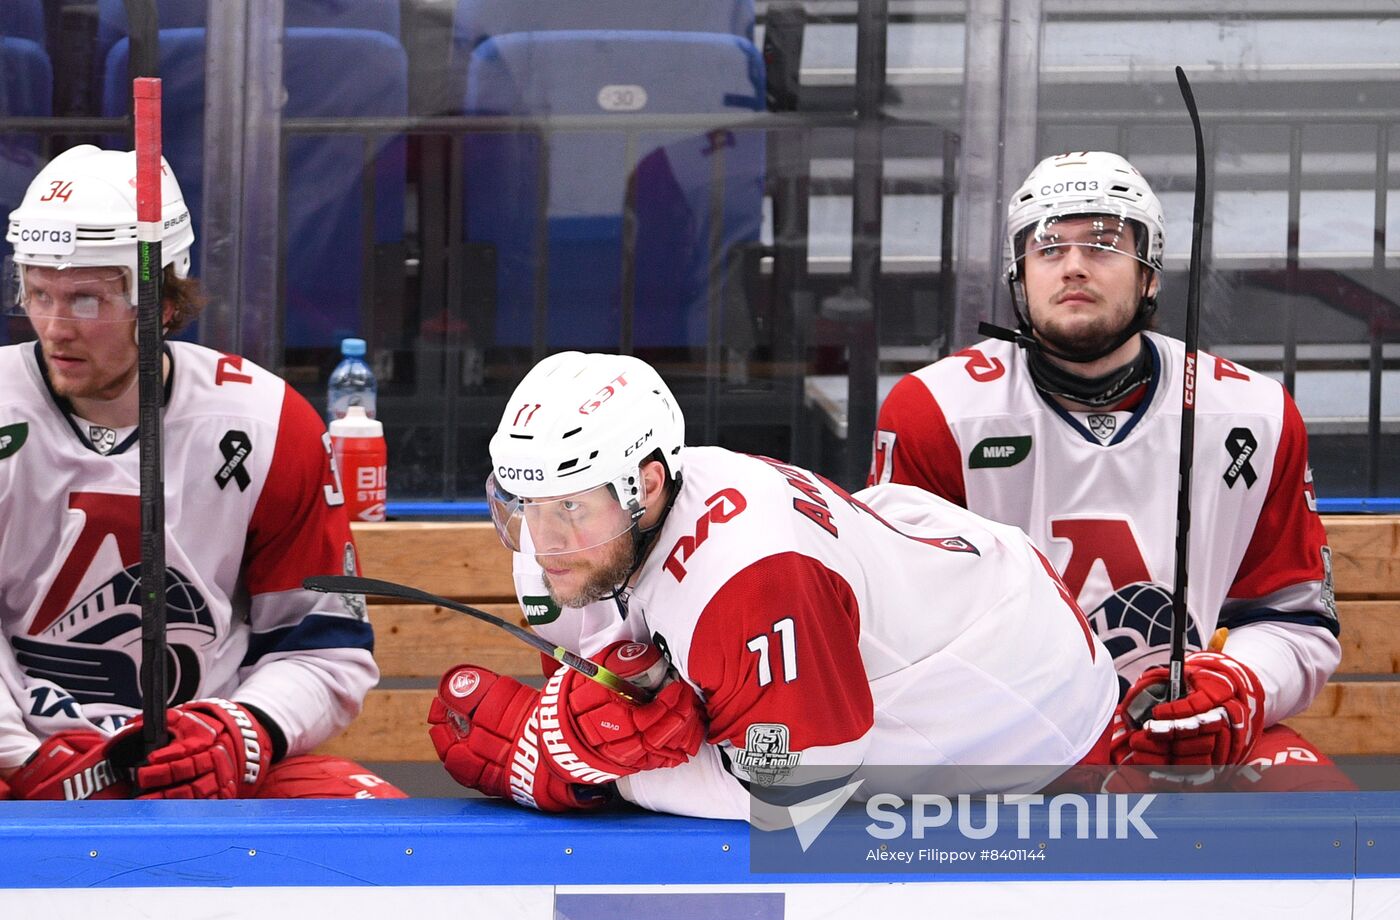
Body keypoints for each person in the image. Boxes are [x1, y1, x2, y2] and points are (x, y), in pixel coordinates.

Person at [427, 350, 1120, 819]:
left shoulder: (748, 577)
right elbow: (605, 694)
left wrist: (586, 762)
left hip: (1022, 681)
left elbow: (801, 790)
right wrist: (582, 731)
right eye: (521, 505)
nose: (543, 542)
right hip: (921, 572)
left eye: (571, 506)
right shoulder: (576, 544)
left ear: (646, 484)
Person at [870, 151, 1344, 788]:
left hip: (1187, 731)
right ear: (1019, 275)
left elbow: (1294, 619)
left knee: (1322, 820)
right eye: (1047, 247)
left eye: (1102, 243)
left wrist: (1238, 684)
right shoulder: (936, 410)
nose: (1072, 265)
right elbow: (895, 635)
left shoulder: (1251, 413)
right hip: (1013, 739)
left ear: (1150, 275)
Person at [0, 145, 405, 800]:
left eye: (83, 300)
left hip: (201, 762)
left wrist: (240, 732)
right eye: (37, 292)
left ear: (162, 300)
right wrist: (24, 757)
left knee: (372, 823)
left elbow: (324, 644)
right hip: (25, 761)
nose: (52, 327)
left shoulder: (271, 424)